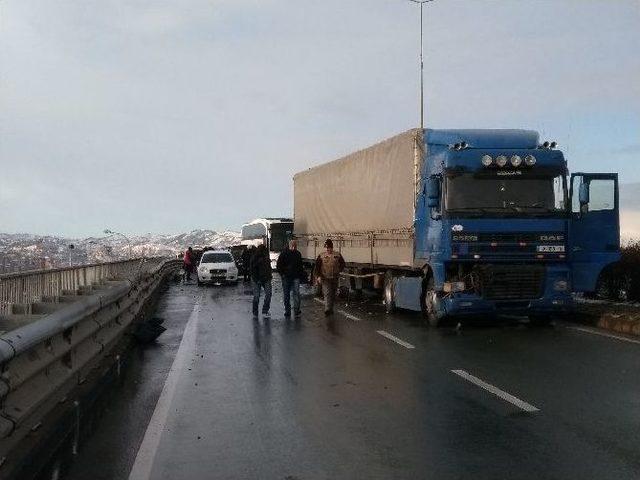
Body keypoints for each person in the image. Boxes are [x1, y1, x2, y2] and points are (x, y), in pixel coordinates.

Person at [314, 239, 345, 315]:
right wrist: (318, 276)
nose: (328, 249)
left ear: (332, 247)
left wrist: (339, 270)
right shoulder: (321, 256)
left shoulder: (337, 255)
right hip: (325, 277)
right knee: (327, 292)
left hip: (334, 277)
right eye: (327, 248)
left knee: (333, 293)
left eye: (329, 248)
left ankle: (330, 308)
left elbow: (343, 264)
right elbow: (317, 267)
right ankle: (327, 309)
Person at [276, 239, 304, 318]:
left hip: (292, 277)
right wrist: (283, 274)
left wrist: (282, 274)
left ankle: (293, 310)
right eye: (293, 245)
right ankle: (291, 310)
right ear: (290, 245)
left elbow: (300, 266)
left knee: (292, 294)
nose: (294, 247)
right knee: (291, 294)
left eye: (295, 245)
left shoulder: (294, 253)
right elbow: (279, 266)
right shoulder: (286, 253)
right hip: (288, 277)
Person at [250, 244, 272, 318]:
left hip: (264, 279)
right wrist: (257, 279)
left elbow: (268, 268)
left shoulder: (264, 257)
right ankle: (261, 311)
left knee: (259, 296)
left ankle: (258, 312)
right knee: (261, 295)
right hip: (259, 279)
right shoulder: (257, 258)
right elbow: (253, 270)